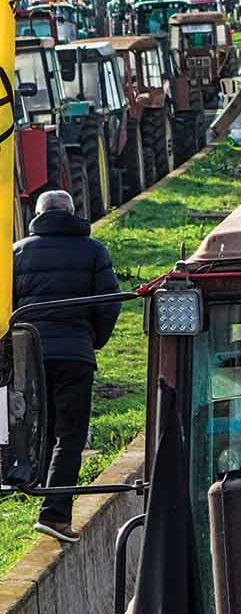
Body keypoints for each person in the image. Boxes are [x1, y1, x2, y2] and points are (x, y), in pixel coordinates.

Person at [14, 190, 121, 543]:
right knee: (69, 433)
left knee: (34, 428)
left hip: (29, 353)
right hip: (74, 353)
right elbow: (109, 304)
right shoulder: (93, 251)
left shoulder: (18, 252)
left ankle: (28, 487)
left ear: (38, 214)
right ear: (73, 213)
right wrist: (93, 340)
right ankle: (55, 515)